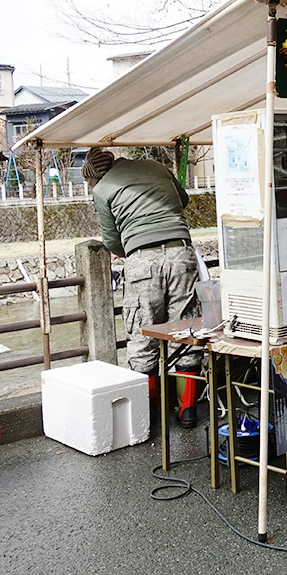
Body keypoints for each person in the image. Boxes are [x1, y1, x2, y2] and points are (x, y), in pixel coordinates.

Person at [83, 146, 205, 428]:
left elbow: (112, 241)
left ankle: (148, 415)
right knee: (185, 329)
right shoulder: (155, 167)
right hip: (181, 252)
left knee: (142, 335)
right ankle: (187, 412)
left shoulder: (102, 190)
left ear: (93, 176)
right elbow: (182, 199)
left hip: (141, 260)